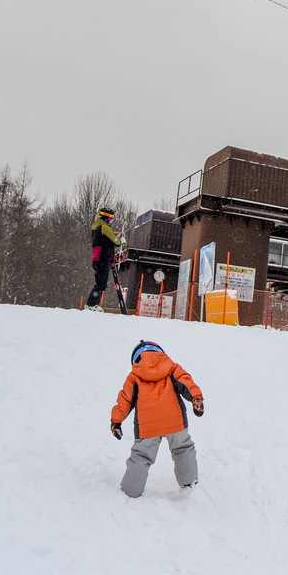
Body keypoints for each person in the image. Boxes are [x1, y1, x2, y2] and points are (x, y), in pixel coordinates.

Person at [110, 340, 205, 498]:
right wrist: (196, 398)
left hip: (148, 424)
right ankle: (189, 483)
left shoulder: (134, 376)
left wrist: (116, 420)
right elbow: (185, 381)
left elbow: (125, 399)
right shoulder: (172, 367)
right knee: (182, 448)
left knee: (141, 455)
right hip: (174, 420)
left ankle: (130, 491)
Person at [86, 207, 123, 311]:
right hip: (103, 258)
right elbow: (115, 241)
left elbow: (105, 241)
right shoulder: (104, 227)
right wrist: (120, 240)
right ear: (105, 218)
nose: (111, 221)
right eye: (110, 218)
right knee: (101, 283)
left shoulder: (96, 227)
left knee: (100, 282)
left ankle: (92, 304)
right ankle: (91, 304)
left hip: (98, 258)